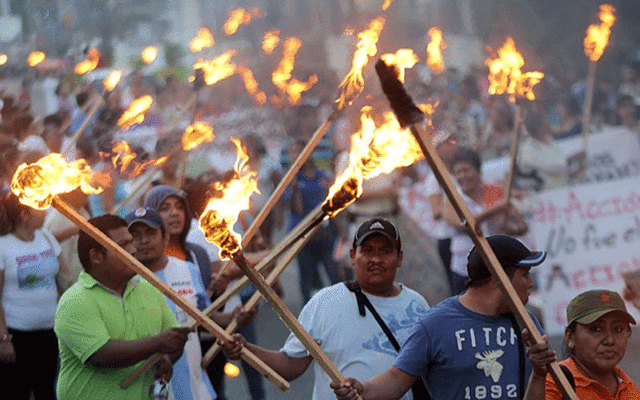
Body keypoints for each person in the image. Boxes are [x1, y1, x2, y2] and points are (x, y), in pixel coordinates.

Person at [220, 218, 430, 400]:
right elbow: (291, 364)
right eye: (367, 250)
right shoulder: (325, 302)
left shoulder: (417, 306)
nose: (376, 259)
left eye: (385, 251)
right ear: (351, 255)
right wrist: (245, 349)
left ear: (399, 257)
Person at [332, 234, 547, 400]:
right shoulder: (435, 325)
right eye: (524, 274)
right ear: (499, 279)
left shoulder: (526, 323)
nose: (530, 283)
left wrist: (540, 371)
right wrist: (362, 389)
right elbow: (397, 378)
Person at [54, 214, 191, 399]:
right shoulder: (76, 300)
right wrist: (158, 343)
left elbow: (173, 340)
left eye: (131, 243)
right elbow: (102, 354)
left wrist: (166, 358)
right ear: (96, 256)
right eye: (123, 246)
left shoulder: (149, 288)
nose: (133, 250)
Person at [126, 207, 217, 400]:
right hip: (146, 387)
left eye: (151, 233)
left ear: (165, 237)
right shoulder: (124, 282)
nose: (143, 241)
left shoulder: (188, 269)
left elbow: (205, 316)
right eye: (135, 235)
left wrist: (234, 317)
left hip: (194, 387)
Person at [0, 194, 67, 400]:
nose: (45, 212)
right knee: (16, 393)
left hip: (49, 334)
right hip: (17, 337)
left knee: (47, 391)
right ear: (24, 215)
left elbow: (65, 280)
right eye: (40, 208)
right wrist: (3, 339)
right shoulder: (3, 246)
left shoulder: (46, 237)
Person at [524, 289, 639, 399]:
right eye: (596, 329)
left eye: (618, 329)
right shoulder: (555, 382)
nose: (609, 340)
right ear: (570, 337)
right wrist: (538, 377)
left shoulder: (626, 385)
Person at [443, 147, 510, 295]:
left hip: (498, 265)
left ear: (478, 171)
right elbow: (463, 225)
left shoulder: (495, 192)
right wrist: (494, 210)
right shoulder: (452, 200)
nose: (462, 176)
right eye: (457, 172)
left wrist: (510, 219)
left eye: (466, 170)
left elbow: (517, 225)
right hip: (465, 271)